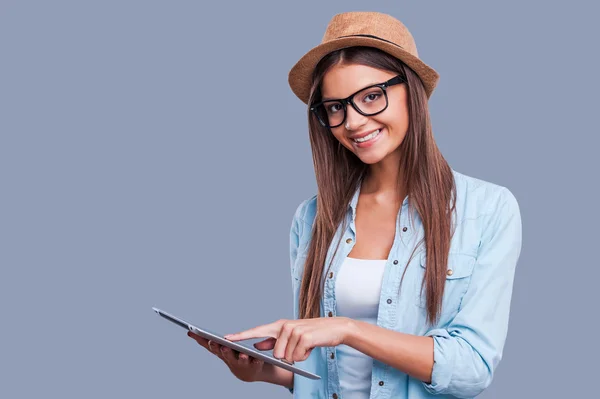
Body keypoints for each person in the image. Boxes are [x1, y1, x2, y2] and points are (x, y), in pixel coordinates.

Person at [188, 11, 522, 399]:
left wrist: (348, 329)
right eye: (335, 107)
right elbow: (328, 370)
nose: (353, 122)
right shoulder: (312, 218)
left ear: (411, 92)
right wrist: (265, 372)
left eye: (371, 96)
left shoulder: (488, 210)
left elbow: (472, 367)